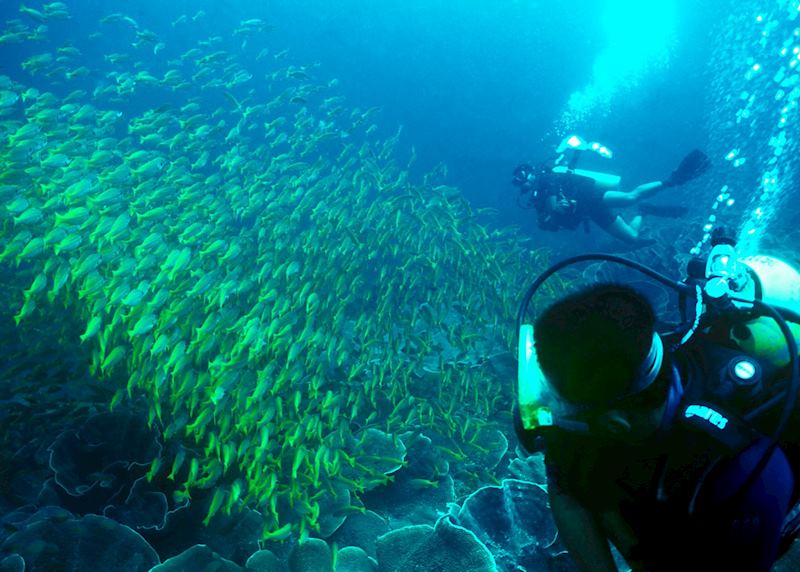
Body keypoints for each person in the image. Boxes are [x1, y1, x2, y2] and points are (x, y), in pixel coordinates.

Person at [514, 244, 800, 571]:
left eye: (556, 406)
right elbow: (566, 487)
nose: (547, 415)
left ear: (616, 424)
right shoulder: (624, 366)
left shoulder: (747, 475)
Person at [512, 138, 711, 245]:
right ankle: (644, 210)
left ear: (531, 173)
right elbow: (550, 220)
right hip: (588, 211)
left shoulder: (547, 179)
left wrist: (555, 212)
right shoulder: (536, 198)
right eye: (518, 181)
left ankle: (672, 180)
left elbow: (555, 207)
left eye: (522, 176)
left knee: (628, 198)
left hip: (587, 195)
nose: (521, 183)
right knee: (631, 238)